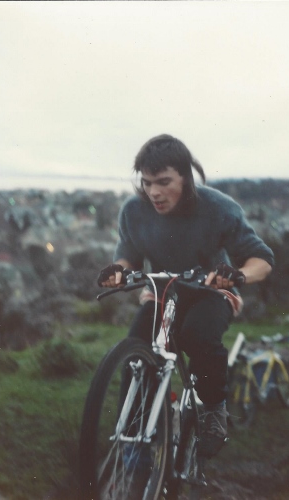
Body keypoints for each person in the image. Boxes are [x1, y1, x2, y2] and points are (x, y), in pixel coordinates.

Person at [97, 134, 274, 458]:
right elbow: (127, 257)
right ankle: (133, 445)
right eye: (148, 183)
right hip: (164, 293)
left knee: (198, 336)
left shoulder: (219, 208)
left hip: (212, 292)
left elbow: (261, 259)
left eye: (164, 182)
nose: (154, 192)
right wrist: (118, 271)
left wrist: (238, 275)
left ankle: (212, 412)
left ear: (186, 177)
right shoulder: (134, 211)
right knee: (136, 351)